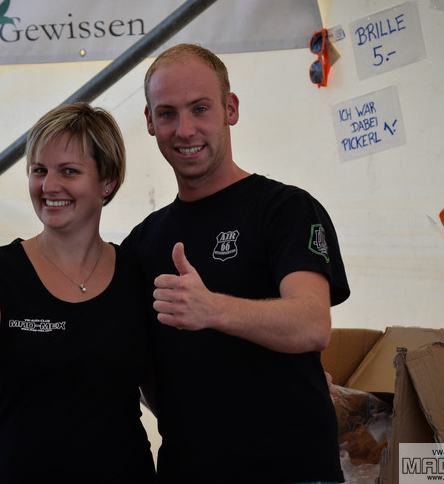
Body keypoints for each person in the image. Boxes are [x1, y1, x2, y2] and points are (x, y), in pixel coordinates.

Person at [120, 43, 350, 483]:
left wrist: (212, 309)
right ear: (150, 122)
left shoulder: (285, 209)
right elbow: (138, 363)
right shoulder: (142, 243)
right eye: (167, 113)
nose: (185, 129)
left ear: (230, 109)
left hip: (294, 471)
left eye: (200, 109)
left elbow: (312, 324)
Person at [0, 102, 155, 484]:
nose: (49, 186)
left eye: (68, 171)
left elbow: (164, 388)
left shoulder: (136, 274)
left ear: (107, 181)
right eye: (39, 170)